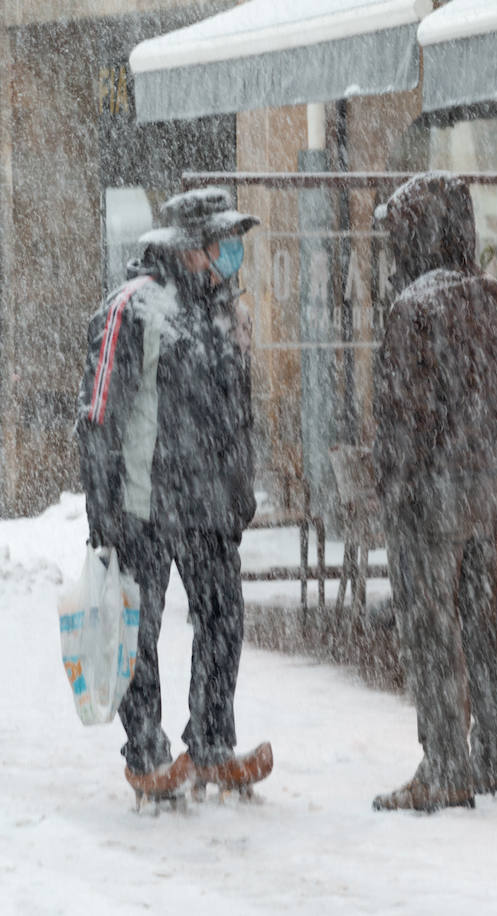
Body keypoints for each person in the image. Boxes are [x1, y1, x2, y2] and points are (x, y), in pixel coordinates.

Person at [76, 187, 270, 801]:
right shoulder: (133, 308)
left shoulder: (225, 310)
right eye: (222, 243)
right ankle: (147, 755)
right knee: (140, 629)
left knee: (222, 619)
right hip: (145, 505)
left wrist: (240, 491)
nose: (231, 253)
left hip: (210, 507)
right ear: (192, 248)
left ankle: (212, 743)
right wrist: (103, 510)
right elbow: (100, 412)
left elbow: (239, 415)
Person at [372, 172, 497, 812]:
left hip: (431, 491)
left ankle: (445, 764)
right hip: (489, 488)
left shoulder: (415, 307)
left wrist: (395, 486)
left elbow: (400, 417)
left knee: (431, 630)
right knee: (484, 624)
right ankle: (494, 753)